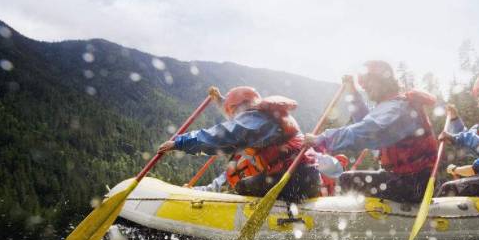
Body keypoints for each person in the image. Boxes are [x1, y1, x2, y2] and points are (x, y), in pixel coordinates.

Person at [304, 60, 438, 203]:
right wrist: (352, 91)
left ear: (384, 81)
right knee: (349, 178)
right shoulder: (390, 106)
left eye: (369, 82)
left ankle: (356, 223)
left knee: (348, 180)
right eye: (364, 85)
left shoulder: (398, 108)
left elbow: (368, 131)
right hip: (404, 178)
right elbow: (364, 120)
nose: (366, 87)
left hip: (415, 183)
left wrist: (322, 139)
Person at [158, 86, 321, 202]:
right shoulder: (264, 117)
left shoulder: (256, 119)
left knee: (242, 186)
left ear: (238, 108)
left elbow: (223, 135)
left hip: (294, 179)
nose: (233, 117)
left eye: (232, 111)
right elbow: (236, 116)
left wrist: (180, 142)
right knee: (244, 181)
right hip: (306, 178)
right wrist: (219, 100)